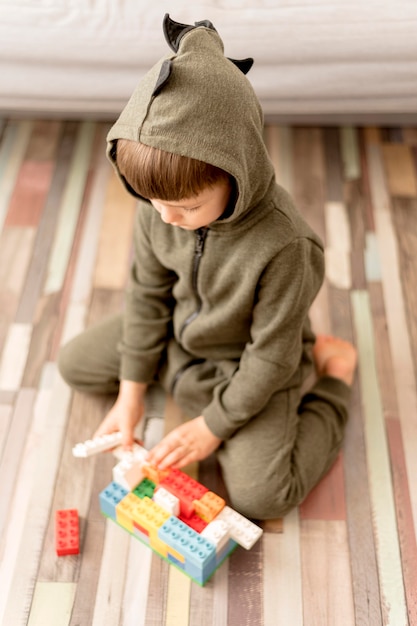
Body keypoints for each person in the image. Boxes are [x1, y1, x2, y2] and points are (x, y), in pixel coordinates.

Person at [58, 15, 357, 519]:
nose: (168, 217)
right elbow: (147, 294)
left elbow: (270, 358)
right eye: (152, 200)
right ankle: (168, 378)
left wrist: (212, 425)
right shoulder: (162, 207)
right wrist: (131, 394)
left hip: (251, 366)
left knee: (263, 497)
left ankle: (336, 377)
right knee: (75, 365)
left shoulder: (287, 246)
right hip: (182, 336)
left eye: (189, 206)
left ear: (237, 168)